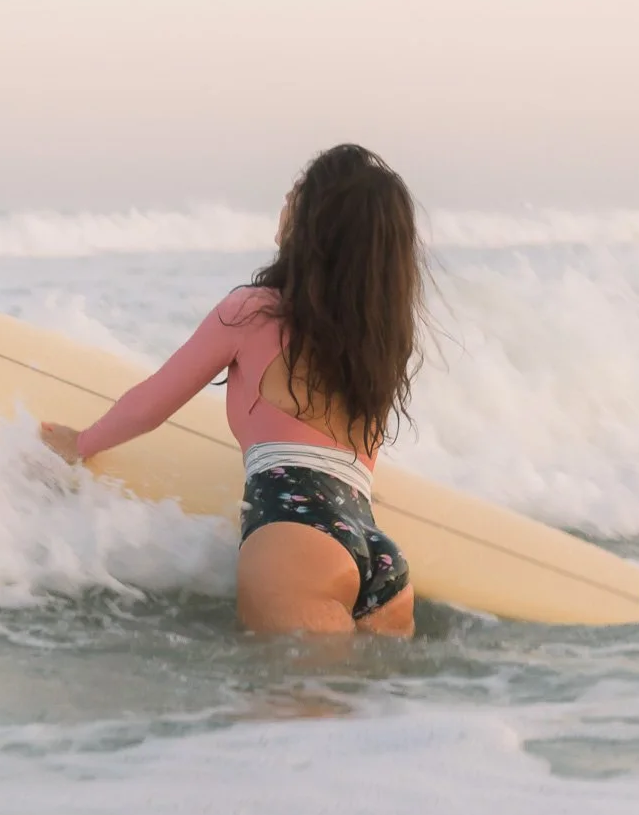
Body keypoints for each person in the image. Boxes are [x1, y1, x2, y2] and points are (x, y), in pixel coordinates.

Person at [38, 144, 427, 636]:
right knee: (374, 711)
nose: (286, 200)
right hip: (377, 553)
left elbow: (154, 401)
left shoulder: (251, 312)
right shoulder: (376, 346)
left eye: (297, 195)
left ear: (314, 226)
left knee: (287, 705)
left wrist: (81, 443)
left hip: (296, 541)